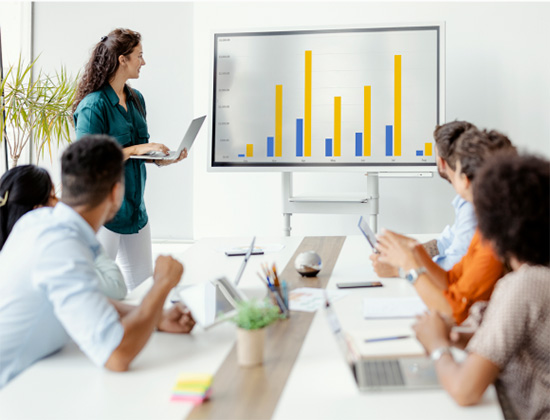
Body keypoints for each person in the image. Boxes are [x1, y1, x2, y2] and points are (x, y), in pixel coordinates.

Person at [0, 135, 195, 388]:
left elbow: (88, 299)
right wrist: (162, 285)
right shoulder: (60, 245)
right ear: (116, 192)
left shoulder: (40, 223)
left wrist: (156, 317)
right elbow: (116, 355)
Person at [413, 153, 550, 419]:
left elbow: (465, 391)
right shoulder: (536, 277)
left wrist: (437, 346)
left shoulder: (525, 285)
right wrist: (470, 339)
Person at [72, 28, 186, 291]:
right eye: (139, 56)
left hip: (136, 211)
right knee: (100, 289)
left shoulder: (136, 99)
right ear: (122, 59)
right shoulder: (93, 106)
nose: (143, 62)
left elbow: (139, 151)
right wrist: (136, 149)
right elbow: (86, 161)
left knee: (144, 286)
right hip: (105, 214)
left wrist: (161, 158)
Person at [376, 128, 515, 323]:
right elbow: (451, 280)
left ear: (465, 180)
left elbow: (453, 312)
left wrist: (409, 266)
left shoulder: (494, 242)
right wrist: (415, 250)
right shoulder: (485, 227)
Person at [0, 165, 127, 300]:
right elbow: (116, 287)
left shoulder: (14, 246)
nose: (60, 202)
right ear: (38, 210)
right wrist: (82, 227)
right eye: (53, 196)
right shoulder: (48, 250)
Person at [370, 121, 477, 277]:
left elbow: (454, 264)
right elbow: (448, 240)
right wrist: (409, 251)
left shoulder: (470, 203)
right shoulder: (465, 199)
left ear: (441, 162)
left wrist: (400, 269)